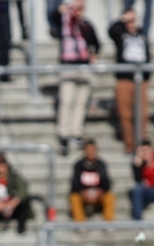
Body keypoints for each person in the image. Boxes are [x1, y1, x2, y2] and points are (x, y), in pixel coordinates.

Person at [48, 1, 100, 156]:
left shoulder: (86, 25)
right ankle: (64, 134)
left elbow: (96, 43)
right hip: (68, 66)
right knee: (66, 101)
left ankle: (76, 132)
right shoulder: (64, 23)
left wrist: (94, 54)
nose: (77, 11)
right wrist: (62, 11)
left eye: (80, 8)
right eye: (75, 8)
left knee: (81, 102)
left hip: (83, 66)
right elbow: (52, 18)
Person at [109, 9, 151, 154]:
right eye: (129, 21)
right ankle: (130, 145)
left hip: (140, 80)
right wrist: (123, 20)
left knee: (142, 114)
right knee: (125, 114)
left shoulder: (142, 34)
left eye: (133, 20)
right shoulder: (121, 34)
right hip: (125, 79)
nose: (132, 23)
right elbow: (111, 31)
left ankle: (142, 145)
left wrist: (147, 76)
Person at [69, 139, 116, 223]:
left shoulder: (101, 164)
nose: (90, 152)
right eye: (88, 149)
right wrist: (83, 193)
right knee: (74, 197)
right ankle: (80, 224)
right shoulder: (78, 165)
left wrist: (99, 192)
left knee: (109, 196)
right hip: (83, 194)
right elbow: (74, 183)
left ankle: (108, 223)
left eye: (92, 149)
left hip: (98, 194)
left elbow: (107, 183)